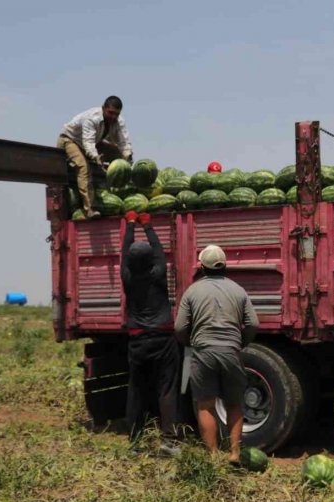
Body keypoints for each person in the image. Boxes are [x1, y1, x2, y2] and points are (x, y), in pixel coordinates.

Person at [174, 245, 259, 463]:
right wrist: (239, 343)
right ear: (225, 265)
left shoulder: (192, 291)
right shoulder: (238, 290)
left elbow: (180, 327)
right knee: (234, 403)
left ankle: (212, 456)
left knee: (205, 404)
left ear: (202, 266)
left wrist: (189, 343)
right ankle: (234, 454)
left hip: (203, 352)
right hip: (230, 351)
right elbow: (253, 323)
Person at [121, 210, 181, 454]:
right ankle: (169, 441)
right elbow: (159, 252)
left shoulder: (128, 277)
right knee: (166, 389)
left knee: (136, 390)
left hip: (138, 340)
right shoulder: (158, 275)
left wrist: (130, 225)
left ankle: (135, 443)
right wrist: (148, 227)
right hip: (163, 339)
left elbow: (125, 253)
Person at [59, 96, 133, 218]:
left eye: (117, 114)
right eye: (111, 113)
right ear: (103, 108)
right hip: (70, 140)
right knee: (83, 167)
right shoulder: (92, 118)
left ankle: (121, 191)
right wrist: (95, 157)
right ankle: (90, 209)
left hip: (94, 142)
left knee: (118, 155)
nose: (113, 117)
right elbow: (88, 142)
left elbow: (123, 142)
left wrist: (127, 158)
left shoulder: (118, 121)